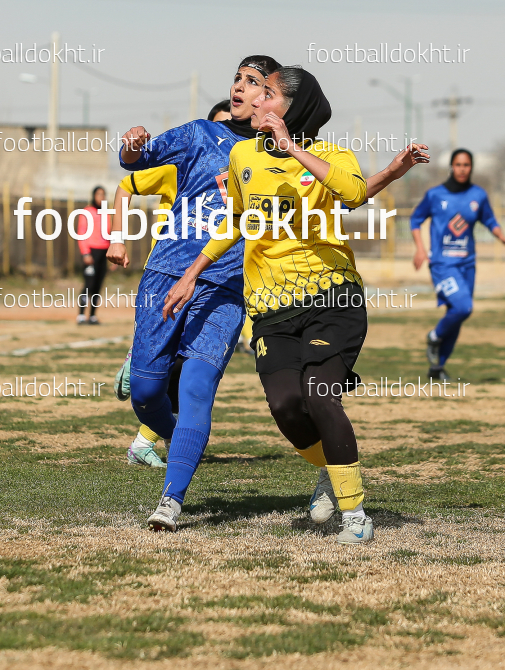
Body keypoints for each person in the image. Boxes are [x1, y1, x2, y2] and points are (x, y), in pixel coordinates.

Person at [164, 65, 430, 545]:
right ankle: (331, 469)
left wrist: (292, 147)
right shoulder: (243, 155)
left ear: (293, 108)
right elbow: (237, 219)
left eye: (267, 93)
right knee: (286, 406)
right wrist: (192, 273)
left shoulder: (330, 154)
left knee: (320, 394)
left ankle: (355, 515)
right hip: (270, 307)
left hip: (332, 298)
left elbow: (354, 193)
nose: (256, 100)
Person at [119, 56, 281, 531]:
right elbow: (136, 162)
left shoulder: (282, 154)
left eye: (253, 82)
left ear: (272, 97)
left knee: (195, 389)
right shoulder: (198, 134)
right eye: (237, 79)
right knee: (146, 392)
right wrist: (133, 145)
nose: (239, 88)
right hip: (165, 274)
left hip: (226, 287)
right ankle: (183, 441)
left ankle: (171, 499)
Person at [109, 100, 232, 469]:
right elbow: (125, 184)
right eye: (221, 126)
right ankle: (142, 365)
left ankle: (150, 439)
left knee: (193, 370)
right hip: (169, 275)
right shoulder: (183, 162)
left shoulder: (248, 168)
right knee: (174, 370)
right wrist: (117, 237)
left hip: (218, 278)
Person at [411, 148, 504, 380]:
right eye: (458, 164)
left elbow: (490, 220)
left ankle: (437, 367)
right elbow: (415, 219)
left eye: (466, 165)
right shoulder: (435, 195)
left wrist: (502, 237)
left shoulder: (478, 195)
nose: (462, 169)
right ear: (451, 167)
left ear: (471, 168)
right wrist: (420, 248)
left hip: (467, 265)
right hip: (443, 265)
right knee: (463, 308)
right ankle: (434, 336)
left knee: (457, 315)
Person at [77, 186, 111, 325]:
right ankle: (81, 315)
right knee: (88, 285)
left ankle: (92, 316)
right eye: (99, 194)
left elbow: (110, 233)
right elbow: (81, 233)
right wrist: (85, 253)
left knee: (98, 285)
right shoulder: (87, 212)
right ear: (93, 196)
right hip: (91, 252)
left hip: (104, 252)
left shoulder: (106, 213)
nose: (101, 197)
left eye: (103, 194)